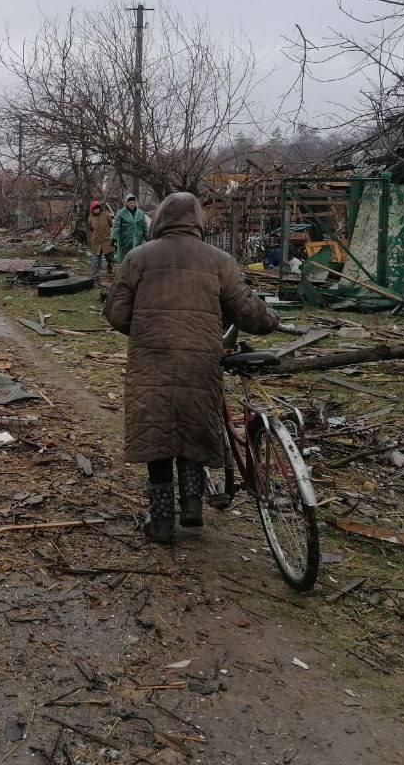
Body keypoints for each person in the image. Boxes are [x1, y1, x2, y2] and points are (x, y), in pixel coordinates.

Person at [104, 192, 279, 544]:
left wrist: (145, 331)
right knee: (192, 424)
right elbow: (247, 310)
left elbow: (117, 313)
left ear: (162, 218)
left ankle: (163, 522)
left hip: (151, 359)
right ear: (197, 220)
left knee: (157, 432)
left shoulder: (138, 258)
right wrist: (270, 321)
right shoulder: (219, 260)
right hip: (200, 360)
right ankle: (192, 507)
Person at [111, 194, 149, 265]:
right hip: (125, 242)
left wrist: (149, 239)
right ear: (126, 203)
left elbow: (145, 228)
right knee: (125, 262)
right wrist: (114, 241)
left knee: (136, 262)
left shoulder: (140, 213)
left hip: (138, 242)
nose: (132, 204)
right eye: (130, 202)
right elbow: (116, 229)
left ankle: (134, 275)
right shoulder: (121, 213)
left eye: (134, 202)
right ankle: (125, 275)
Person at [87, 200, 114, 279]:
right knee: (96, 260)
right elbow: (91, 228)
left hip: (107, 240)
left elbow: (111, 225)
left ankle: (109, 264)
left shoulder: (106, 215)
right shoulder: (90, 218)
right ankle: (95, 276)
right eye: (95, 208)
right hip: (96, 241)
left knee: (110, 257)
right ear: (92, 209)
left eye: (98, 208)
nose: (97, 209)